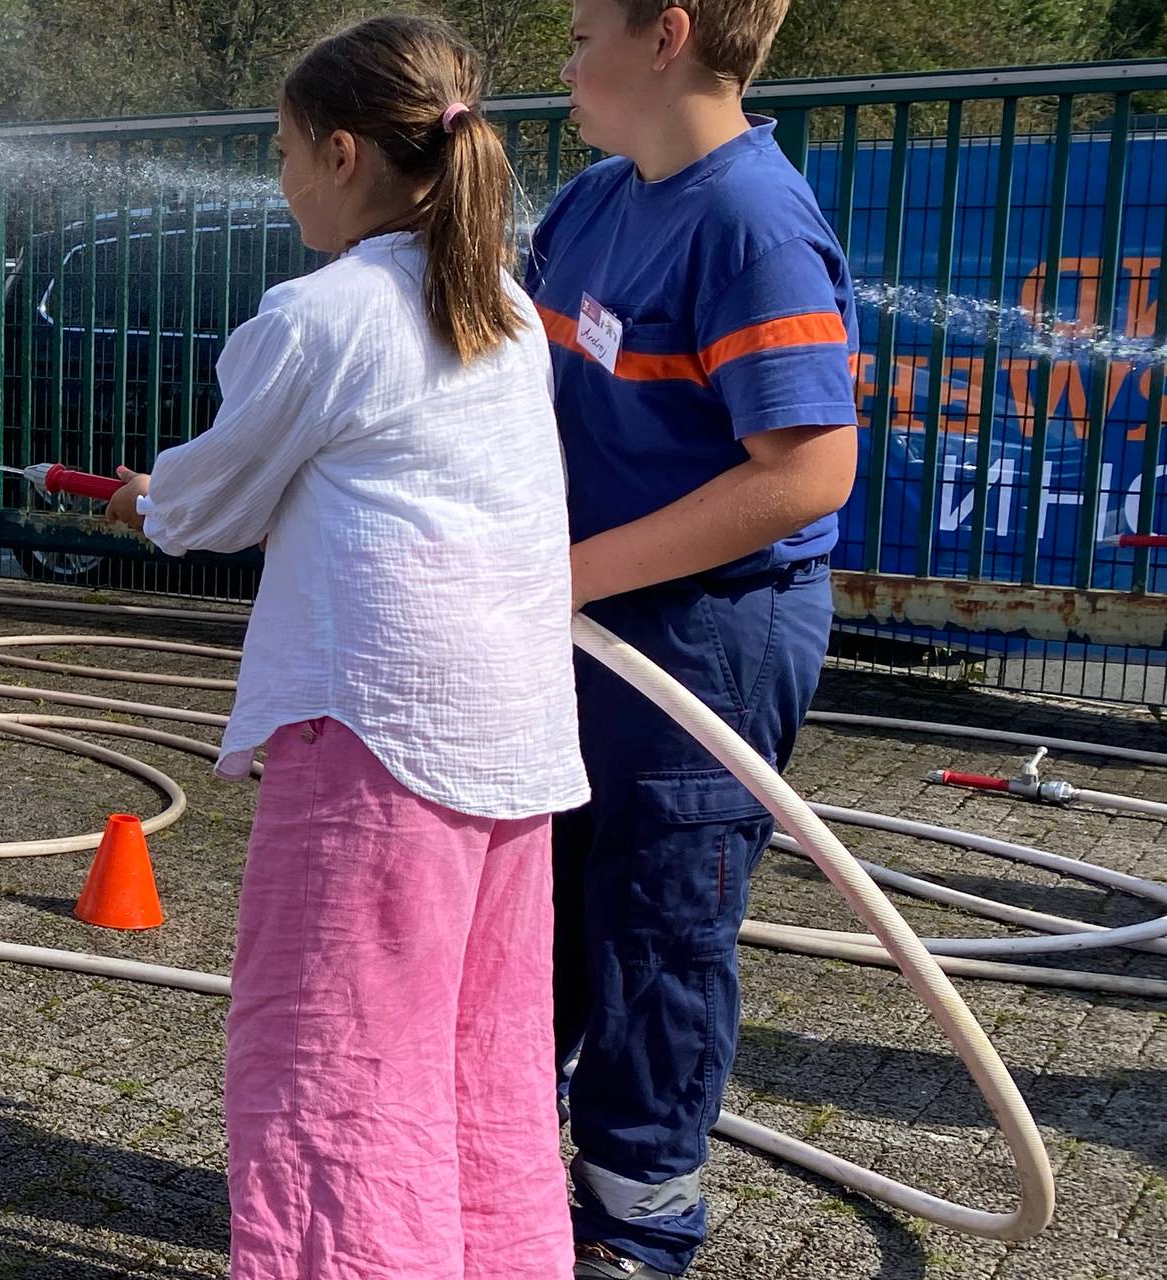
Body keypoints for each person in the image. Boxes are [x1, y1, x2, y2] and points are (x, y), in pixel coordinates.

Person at [103, 17, 587, 1278]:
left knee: (338, 1063)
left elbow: (205, 506)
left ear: (338, 151)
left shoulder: (328, 312)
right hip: (518, 743)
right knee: (484, 1055)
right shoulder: (511, 313)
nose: (277, 181)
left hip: (378, 738)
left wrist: (142, 496)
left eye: (281, 154)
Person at [529, 2, 858, 1275]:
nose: (562, 61)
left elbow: (808, 471)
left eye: (578, 30)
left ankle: (637, 1225)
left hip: (706, 635)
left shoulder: (748, 222)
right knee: (548, 903)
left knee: (657, 931)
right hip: (586, 621)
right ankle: (508, 1172)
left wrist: (569, 573)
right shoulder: (600, 202)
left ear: (665, 33)